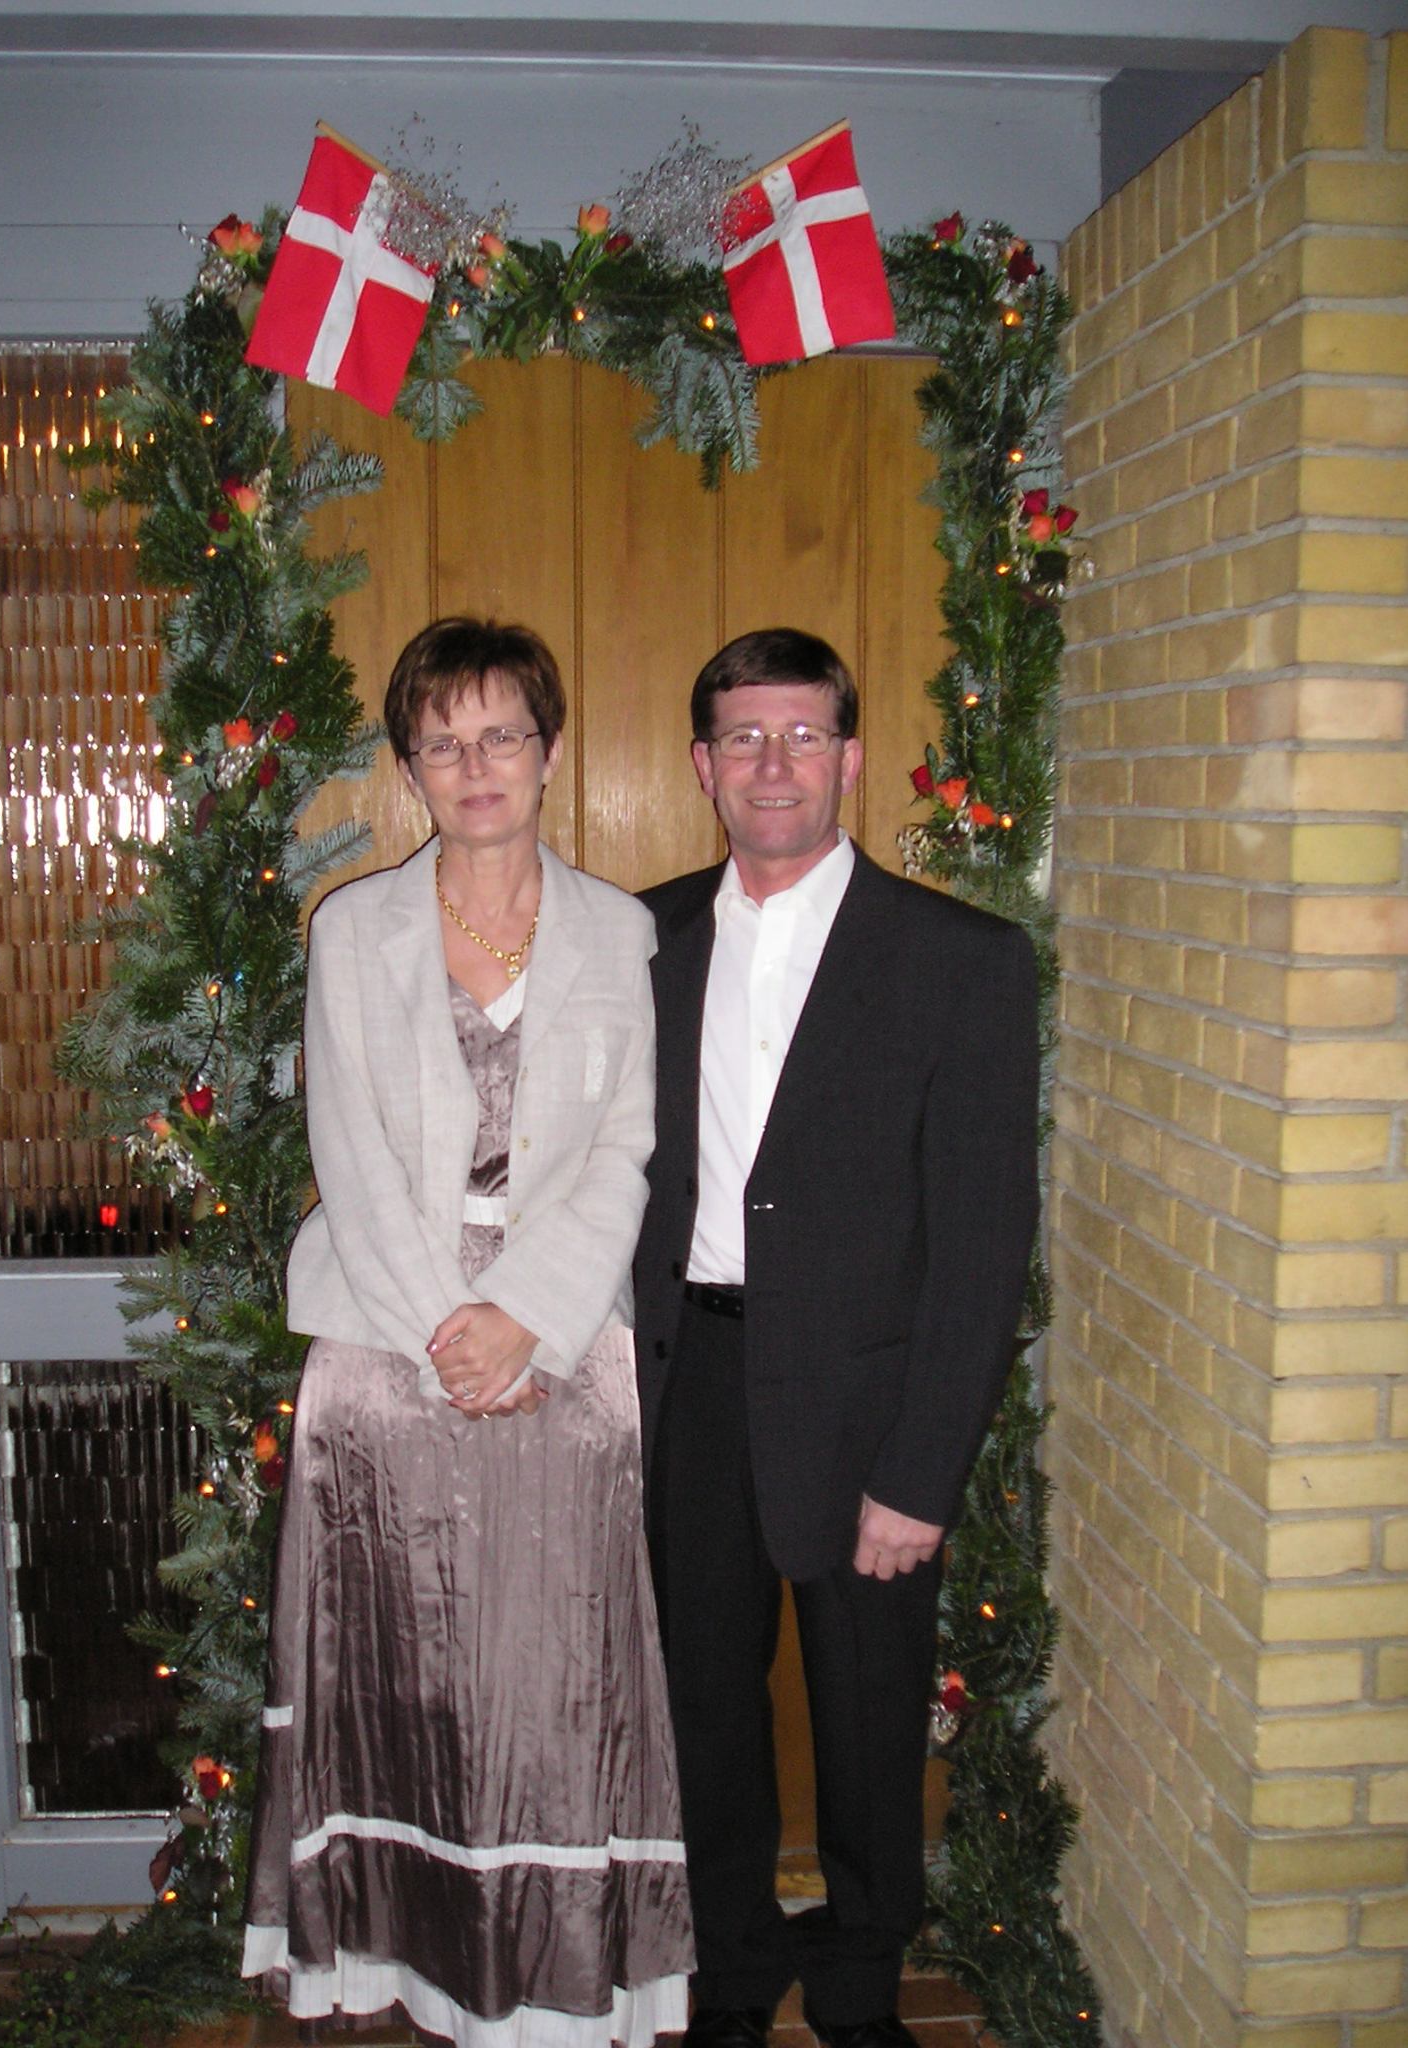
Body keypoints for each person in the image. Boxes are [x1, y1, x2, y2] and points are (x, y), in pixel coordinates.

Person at [244, 617, 693, 2045]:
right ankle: (404, 1960)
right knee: (399, 1686)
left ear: (550, 753)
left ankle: (552, 1987)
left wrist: (527, 1323)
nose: (475, 763)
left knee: (551, 1690)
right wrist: (450, 1329)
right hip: (386, 1362)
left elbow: (626, 1151)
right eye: (443, 741)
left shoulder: (622, 934)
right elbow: (351, 1153)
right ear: (411, 767)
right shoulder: (352, 932)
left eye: (502, 734)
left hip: (564, 1361)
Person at [633, 628, 1039, 2048]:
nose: (773, 764)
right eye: (744, 738)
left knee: (868, 1718)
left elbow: (983, 1247)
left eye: (803, 735)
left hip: (871, 1406)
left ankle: (863, 1982)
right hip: (690, 1381)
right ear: (702, 765)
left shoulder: (961, 962)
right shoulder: (641, 940)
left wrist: (923, 1473)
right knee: (702, 1707)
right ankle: (731, 1971)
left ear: (851, 759)